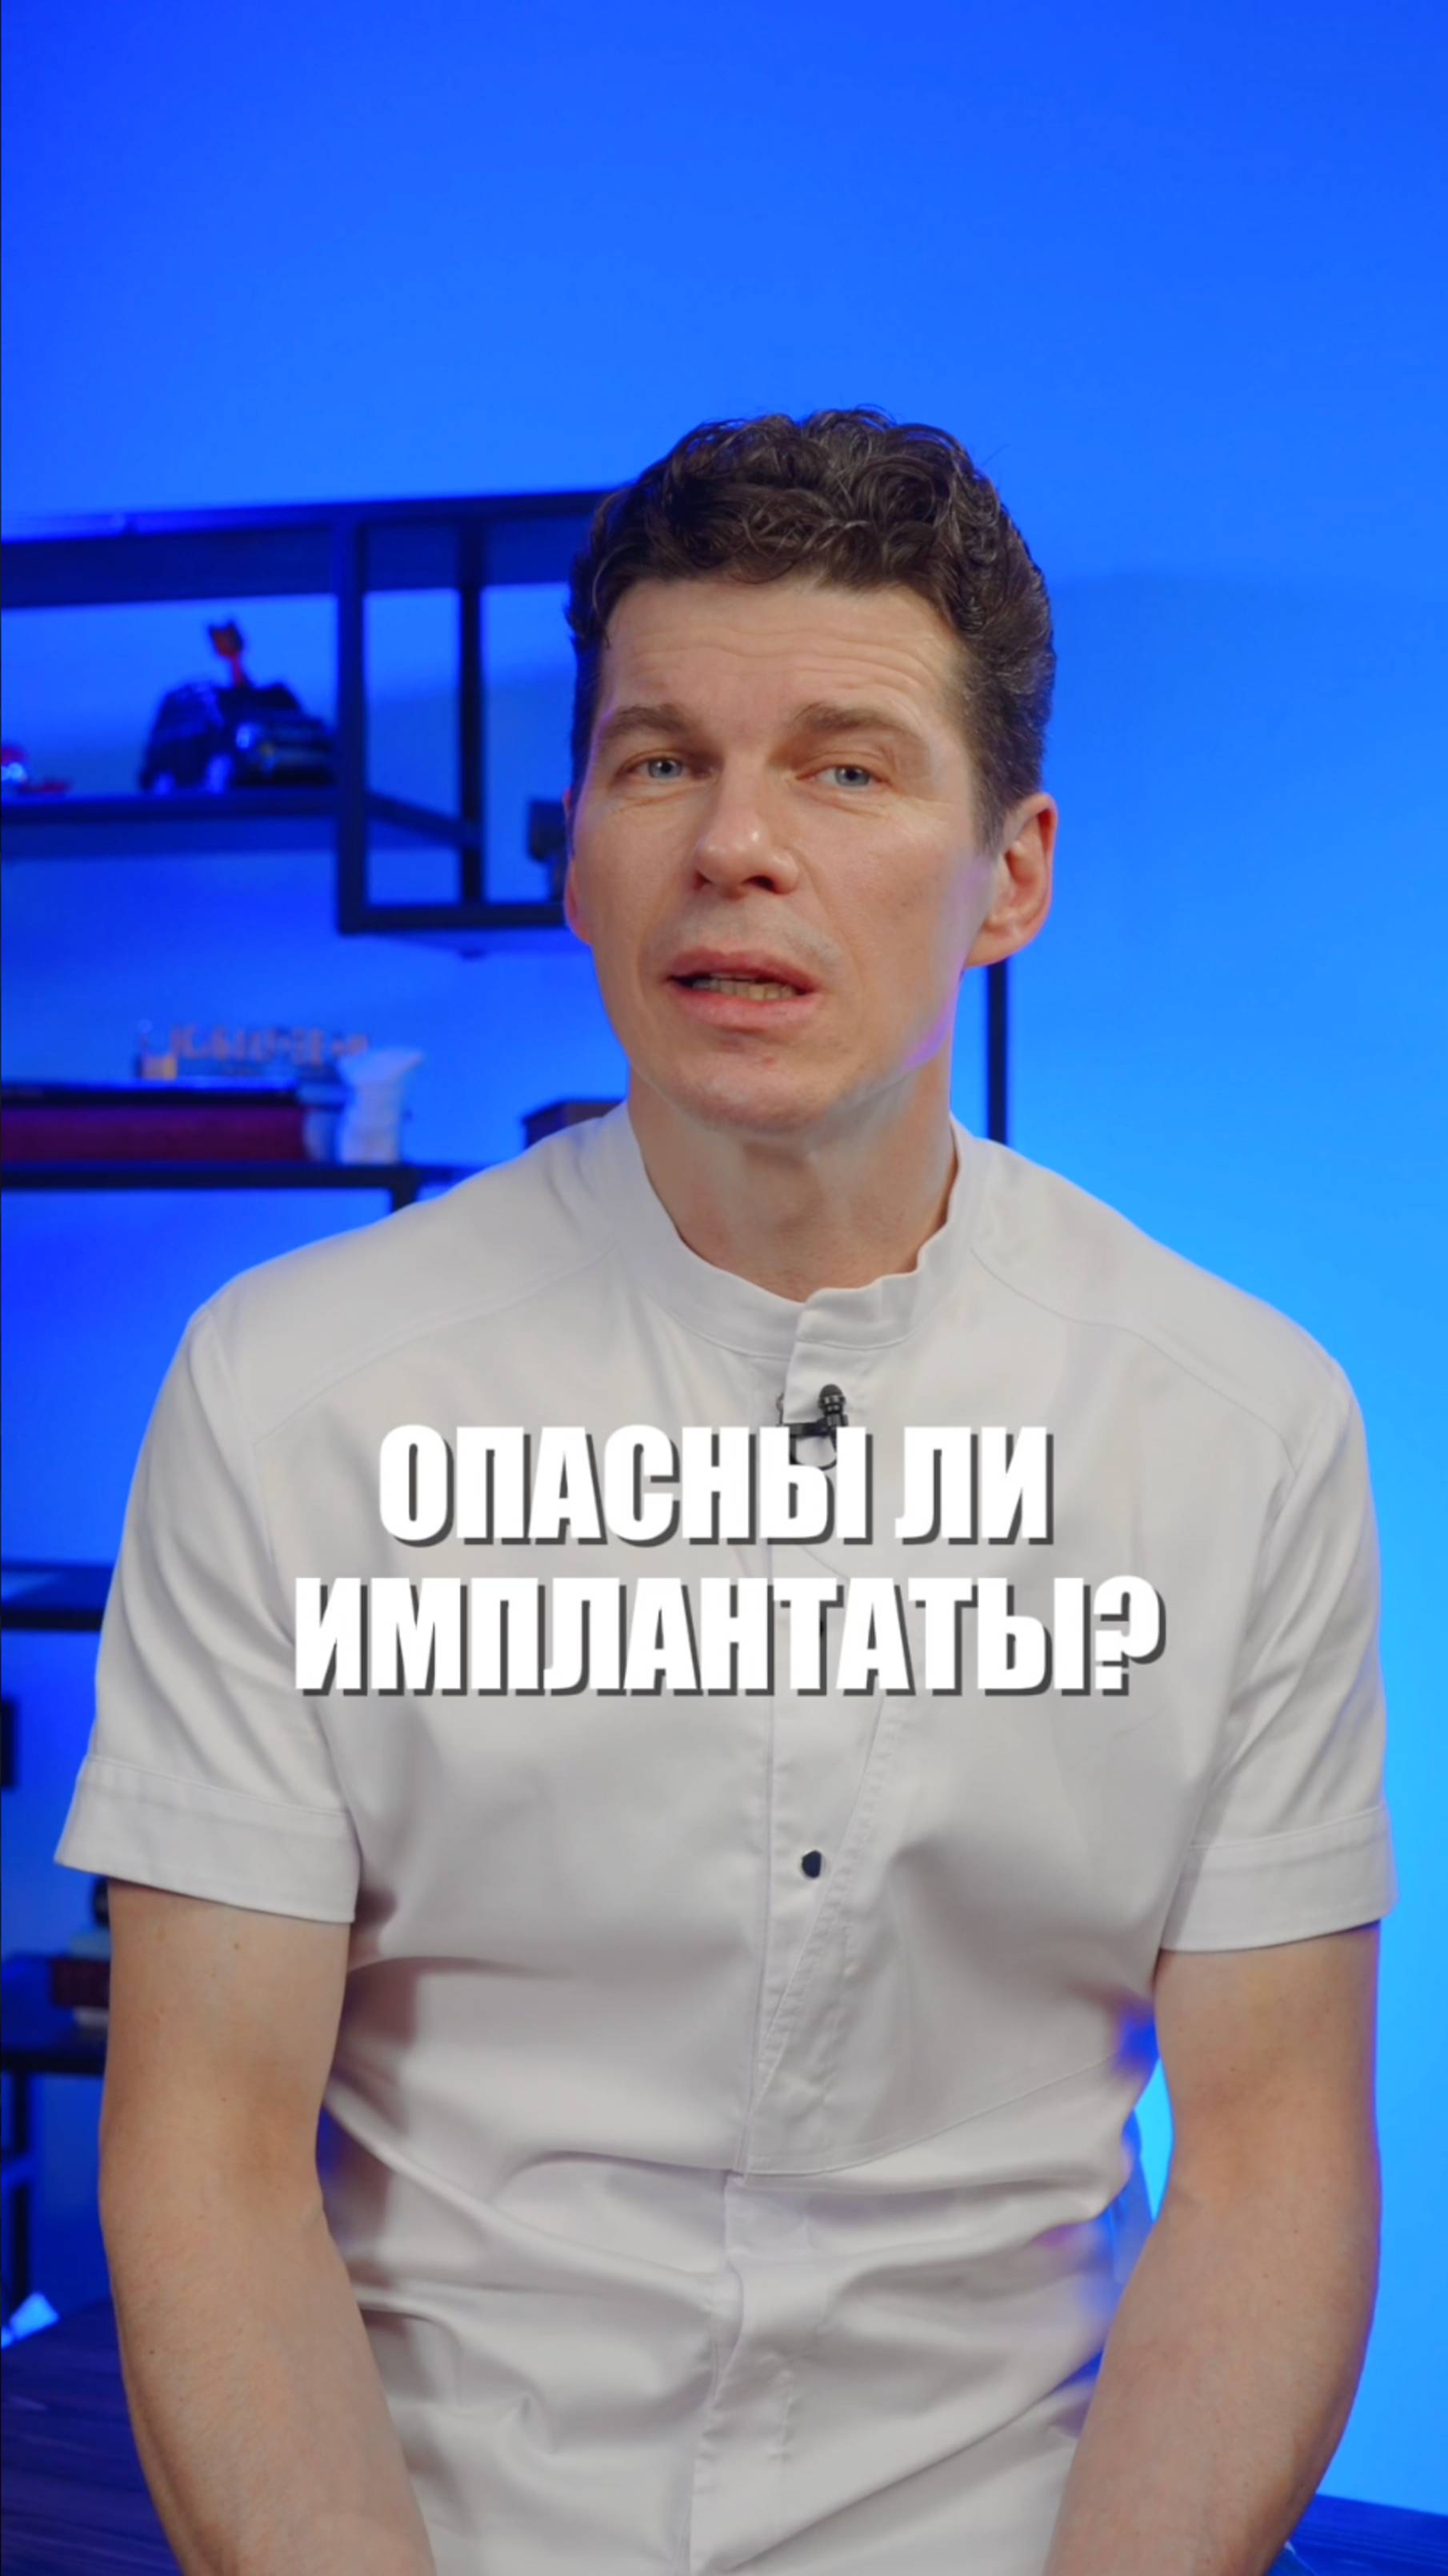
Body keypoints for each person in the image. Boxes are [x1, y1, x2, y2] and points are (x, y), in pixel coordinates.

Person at [55, 407, 1396, 2576]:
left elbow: (1269, 2165)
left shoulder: (1240, 1424)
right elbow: (205, 2156)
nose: (734, 845)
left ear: (1012, 876)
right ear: (577, 846)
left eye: (845, 769)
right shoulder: (291, 1391)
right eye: (661, 761)